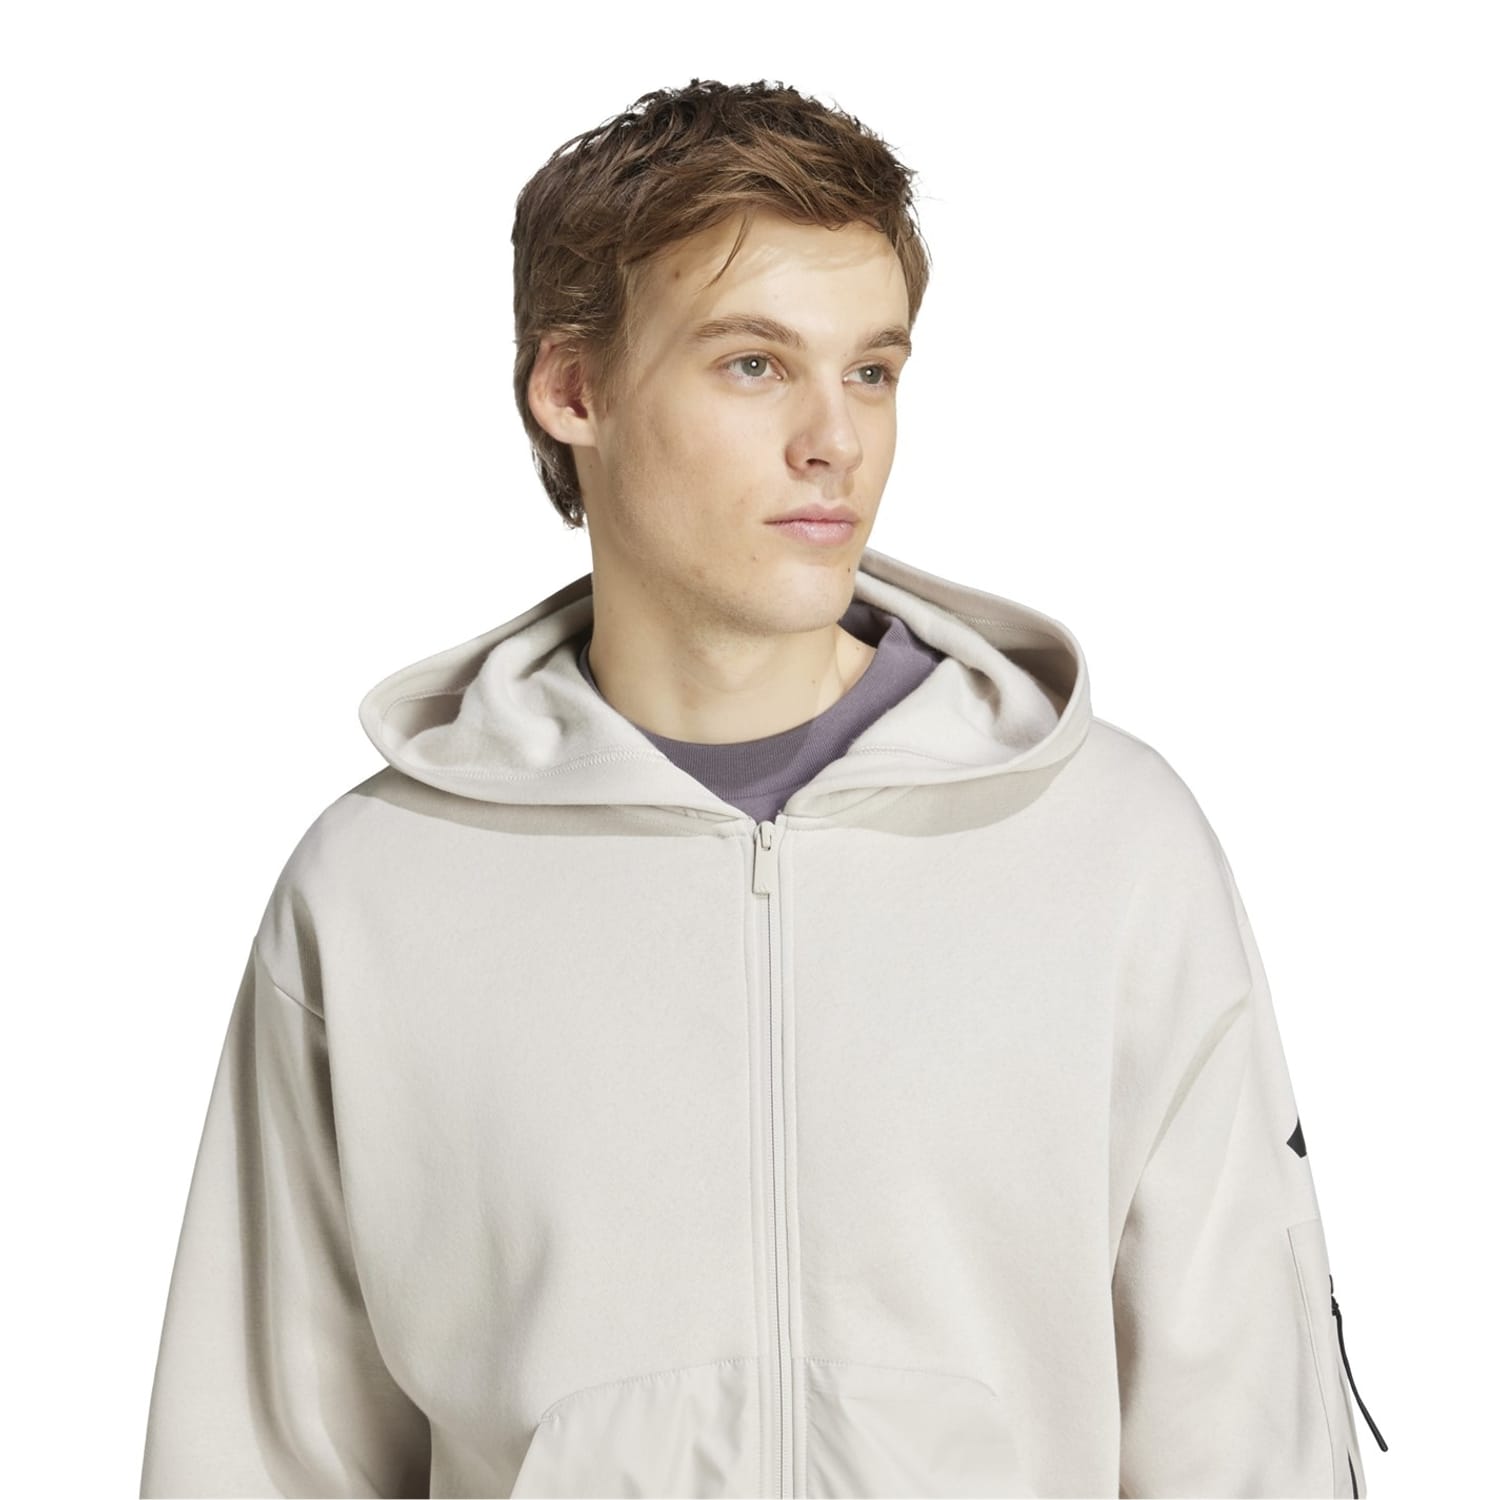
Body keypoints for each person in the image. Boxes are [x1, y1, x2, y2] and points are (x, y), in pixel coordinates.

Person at [139, 78, 1387, 1498]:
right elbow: (257, 1455)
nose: (834, 440)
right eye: (753, 364)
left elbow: (1245, 1427)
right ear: (574, 389)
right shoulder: (380, 888)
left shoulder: (1104, 844)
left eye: (872, 371)